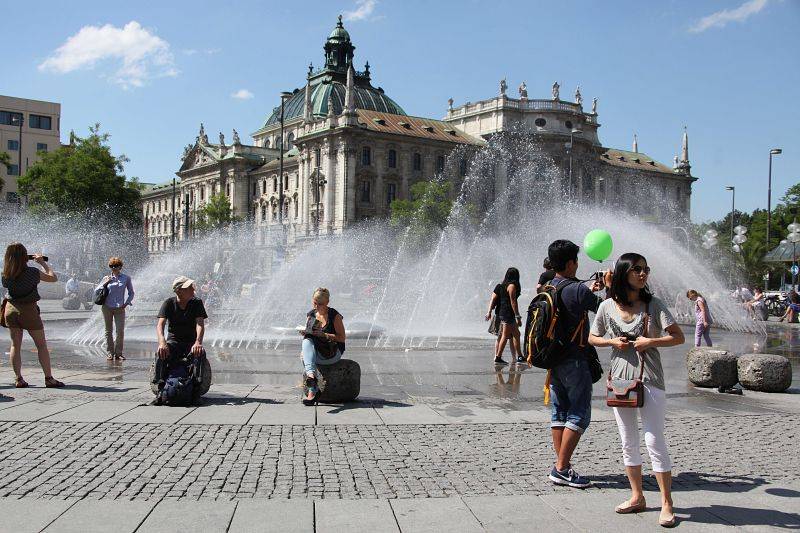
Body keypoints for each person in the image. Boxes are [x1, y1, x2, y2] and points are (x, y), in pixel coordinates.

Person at [588, 253, 685, 528]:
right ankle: (637, 496)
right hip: (620, 381)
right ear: (623, 273)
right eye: (637, 270)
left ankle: (667, 502)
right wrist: (611, 342)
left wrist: (649, 341)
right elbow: (592, 337)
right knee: (628, 441)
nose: (643, 274)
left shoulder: (654, 305)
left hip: (650, 379)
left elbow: (678, 337)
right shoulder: (607, 306)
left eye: (646, 269)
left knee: (654, 440)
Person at [545, 240, 605, 489]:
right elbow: (606, 310)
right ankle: (561, 468)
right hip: (575, 358)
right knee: (579, 413)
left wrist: (590, 286)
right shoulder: (579, 290)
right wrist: (608, 289)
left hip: (553, 358)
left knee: (560, 412)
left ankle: (562, 466)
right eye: (576, 261)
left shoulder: (549, 285)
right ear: (571, 263)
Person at [1, 243, 64, 388]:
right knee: (41, 345)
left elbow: (8, 285)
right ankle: (49, 378)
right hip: (28, 310)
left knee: (15, 345)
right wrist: (42, 262)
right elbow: (53, 278)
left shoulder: (5, 273)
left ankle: (19, 379)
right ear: (25, 256)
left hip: (10, 310)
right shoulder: (32, 272)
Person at [152, 276, 207, 397]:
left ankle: (197, 386)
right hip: (174, 341)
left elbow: (200, 324)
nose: (193, 289)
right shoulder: (169, 303)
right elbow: (160, 325)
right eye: (189, 287)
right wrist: (162, 343)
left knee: (200, 352)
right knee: (161, 352)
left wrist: (198, 342)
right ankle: (159, 384)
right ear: (179, 291)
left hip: (191, 342)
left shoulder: (197, 303)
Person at [300, 287, 346, 406]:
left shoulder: (334, 315)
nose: (316, 306)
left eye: (320, 304)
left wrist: (324, 334)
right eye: (314, 303)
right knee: (306, 340)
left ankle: (312, 390)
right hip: (318, 351)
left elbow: (342, 338)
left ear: (327, 303)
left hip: (332, 352)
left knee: (305, 356)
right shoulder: (311, 314)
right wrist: (306, 332)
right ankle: (312, 378)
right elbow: (309, 336)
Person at [96, 257, 135, 361]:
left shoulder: (126, 278)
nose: (113, 268)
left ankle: (118, 353)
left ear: (120, 267)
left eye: (116, 266)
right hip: (107, 307)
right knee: (108, 331)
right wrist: (105, 283)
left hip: (120, 308)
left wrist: (126, 303)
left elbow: (131, 292)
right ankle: (110, 353)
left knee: (120, 331)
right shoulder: (106, 278)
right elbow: (97, 290)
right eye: (111, 266)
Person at [485, 267, 523, 364]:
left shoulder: (501, 285)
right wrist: (517, 316)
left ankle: (520, 356)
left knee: (517, 334)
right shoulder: (512, 286)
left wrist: (489, 312)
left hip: (503, 312)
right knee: (505, 335)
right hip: (507, 313)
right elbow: (513, 301)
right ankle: (498, 357)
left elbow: (493, 299)